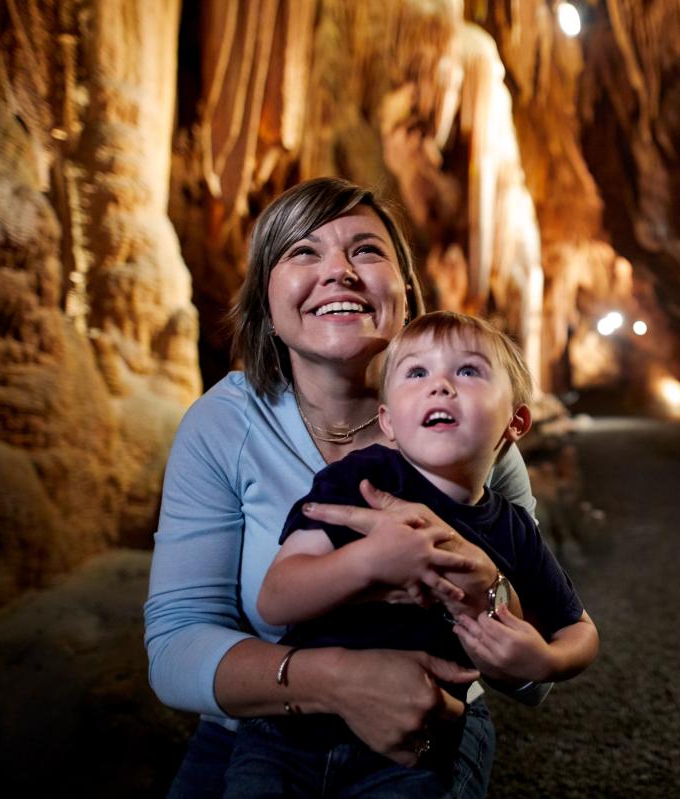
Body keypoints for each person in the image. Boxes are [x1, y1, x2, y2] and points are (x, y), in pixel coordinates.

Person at [144, 179, 549, 798]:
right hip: (256, 731)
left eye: (366, 250)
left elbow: (535, 675)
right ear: (265, 303)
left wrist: (486, 590)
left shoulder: (469, 432)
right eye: (303, 253)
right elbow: (174, 648)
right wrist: (335, 679)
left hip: (423, 729)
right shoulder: (224, 424)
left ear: (406, 292)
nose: (339, 272)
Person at [222, 311, 599, 797]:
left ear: (516, 421)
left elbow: (580, 630)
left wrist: (547, 660)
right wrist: (369, 562)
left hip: (419, 744)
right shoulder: (363, 480)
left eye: (468, 371)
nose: (440, 386)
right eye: (417, 373)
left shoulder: (512, 529)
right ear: (388, 421)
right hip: (291, 733)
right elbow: (275, 599)